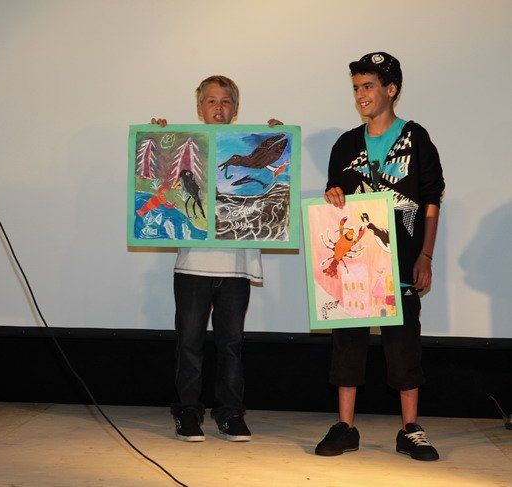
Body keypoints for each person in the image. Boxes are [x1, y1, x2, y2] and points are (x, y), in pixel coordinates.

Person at [315, 52, 445, 461]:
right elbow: (335, 197)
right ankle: (345, 427)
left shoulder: (416, 138)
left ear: (391, 89)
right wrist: (332, 195)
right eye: (356, 87)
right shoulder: (346, 144)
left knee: (404, 346)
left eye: (369, 86)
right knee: (347, 344)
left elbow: (431, 200)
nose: (361, 95)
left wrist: (425, 255)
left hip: (402, 263)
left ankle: (410, 428)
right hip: (355, 265)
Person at [152, 75, 283, 442]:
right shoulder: (186, 148)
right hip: (193, 265)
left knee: (231, 344)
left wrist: (280, 138)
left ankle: (230, 413)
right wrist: (159, 138)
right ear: (200, 109)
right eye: (211, 101)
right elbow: (163, 178)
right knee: (189, 342)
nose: (219, 107)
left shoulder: (251, 142)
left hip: (236, 267)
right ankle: (187, 411)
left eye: (225, 102)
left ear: (235, 109)